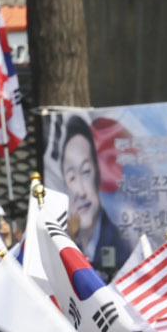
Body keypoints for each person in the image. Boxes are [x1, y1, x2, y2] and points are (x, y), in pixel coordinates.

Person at [57, 114, 131, 274]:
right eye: (72, 177)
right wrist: (72, 239)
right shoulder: (62, 240)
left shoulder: (119, 243)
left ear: (98, 174)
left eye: (86, 172)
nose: (81, 192)